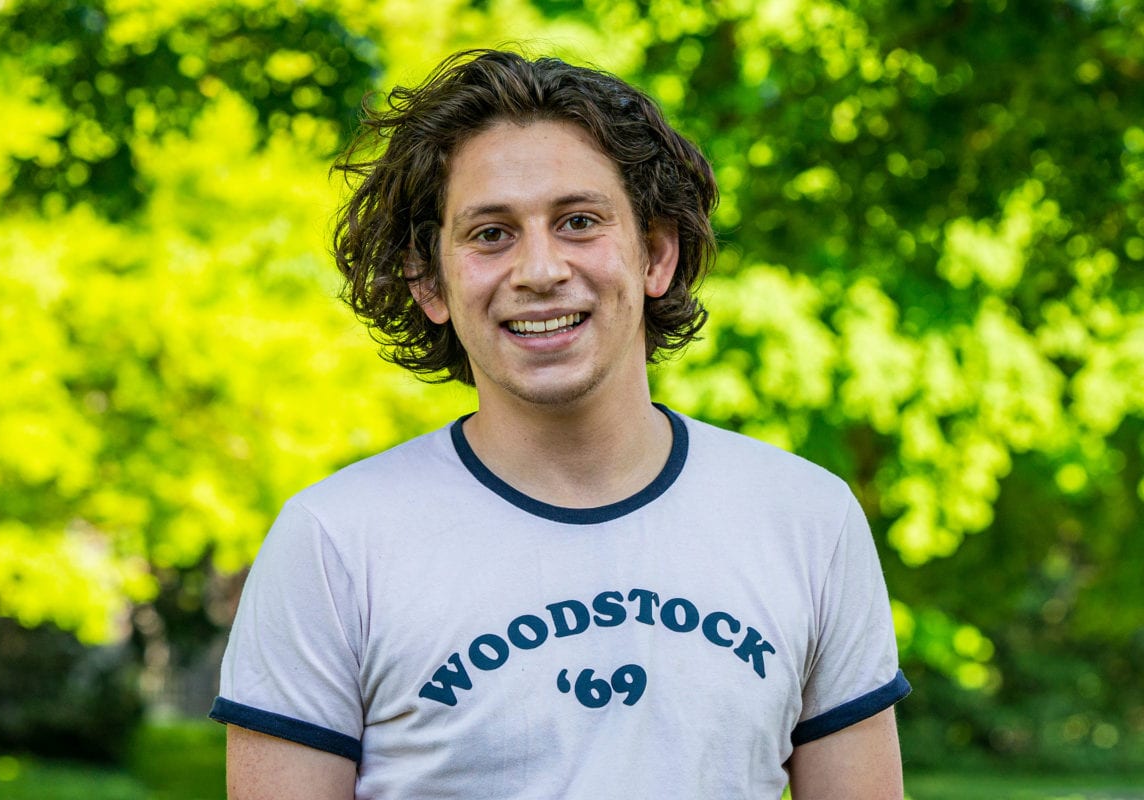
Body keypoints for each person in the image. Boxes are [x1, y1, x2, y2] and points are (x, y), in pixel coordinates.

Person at [210, 48, 910, 799]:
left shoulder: (807, 519)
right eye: (490, 234)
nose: (539, 270)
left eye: (578, 222)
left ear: (657, 254)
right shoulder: (333, 543)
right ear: (428, 281)